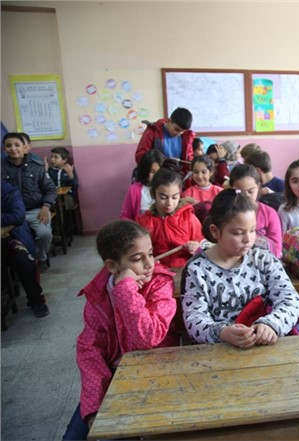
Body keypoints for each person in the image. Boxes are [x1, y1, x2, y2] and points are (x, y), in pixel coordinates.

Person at [62, 220, 178, 440]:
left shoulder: (160, 284)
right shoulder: (97, 295)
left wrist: (126, 290)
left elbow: (149, 337)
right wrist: (94, 407)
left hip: (153, 372)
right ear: (112, 266)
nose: (150, 264)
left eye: (151, 254)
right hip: (113, 376)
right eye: (137, 258)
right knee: (76, 436)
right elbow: (89, 350)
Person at [181, 189, 299, 347]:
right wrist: (221, 332)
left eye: (253, 230)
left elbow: (290, 299)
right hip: (218, 350)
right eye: (238, 233)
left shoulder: (263, 260)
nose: (248, 239)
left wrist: (271, 324)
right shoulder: (197, 270)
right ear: (215, 231)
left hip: (264, 345)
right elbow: (194, 319)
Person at [2, 132, 56, 271]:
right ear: (4, 149)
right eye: (8, 146)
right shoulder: (1, 167)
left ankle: (40, 258)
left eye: (17, 145)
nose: (13, 148)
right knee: (16, 240)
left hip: (35, 211)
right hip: (12, 213)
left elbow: (50, 189)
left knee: (44, 234)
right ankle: (24, 265)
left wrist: (46, 207)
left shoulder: (37, 166)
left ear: (25, 147)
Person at [136, 168, 203, 268]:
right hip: (157, 271)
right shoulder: (144, 222)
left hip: (186, 269)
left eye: (174, 197)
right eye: (163, 197)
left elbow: (205, 247)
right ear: (153, 194)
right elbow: (138, 253)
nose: (169, 203)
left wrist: (197, 248)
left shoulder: (189, 218)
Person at [1, 180, 49, 317]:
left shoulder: (7, 190)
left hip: (11, 238)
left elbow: (17, 216)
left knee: (23, 260)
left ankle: (36, 300)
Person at [229, 164, 283, 258]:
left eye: (250, 191)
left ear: (258, 186)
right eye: (240, 192)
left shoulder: (269, 214)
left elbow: (277, 250)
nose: (246, 197)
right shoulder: (227, 213)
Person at [119, 149, 164, 221]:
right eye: (151, 171)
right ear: (144, 171)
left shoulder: (170, 187)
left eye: (158, 171)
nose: (155, 175)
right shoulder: (134, 190)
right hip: (140, 227)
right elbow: (125, 215)